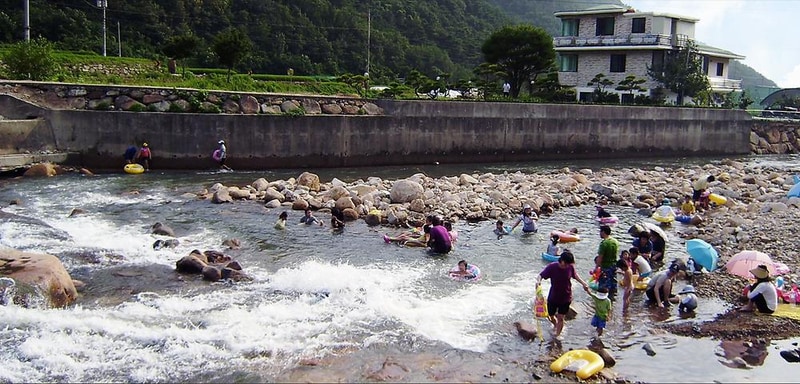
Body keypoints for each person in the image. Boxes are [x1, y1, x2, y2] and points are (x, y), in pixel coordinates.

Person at [536, 250, 591, 340]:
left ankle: (557, 335)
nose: (567, 266)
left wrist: (583, 283)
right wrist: (538, 282)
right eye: (566, 264)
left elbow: (575, 275)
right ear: (561, 261)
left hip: (566, 297)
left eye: (569, 264)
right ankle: (555, 324)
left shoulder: (570, 267)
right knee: (550, 315)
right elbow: (541, 275)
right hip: (553, 296)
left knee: (561, 317)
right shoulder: (552, 267)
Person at [595, 225, 619, 300]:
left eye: (600, 231)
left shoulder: (604, 243)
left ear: (603, 232)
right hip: (614, 266)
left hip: (605, 266)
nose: (599, 233)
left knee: (603, 285)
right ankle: (612, 301)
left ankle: (603, 301)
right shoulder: (615, 241)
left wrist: (597, 267)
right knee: (613, 284)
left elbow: (600, 257)